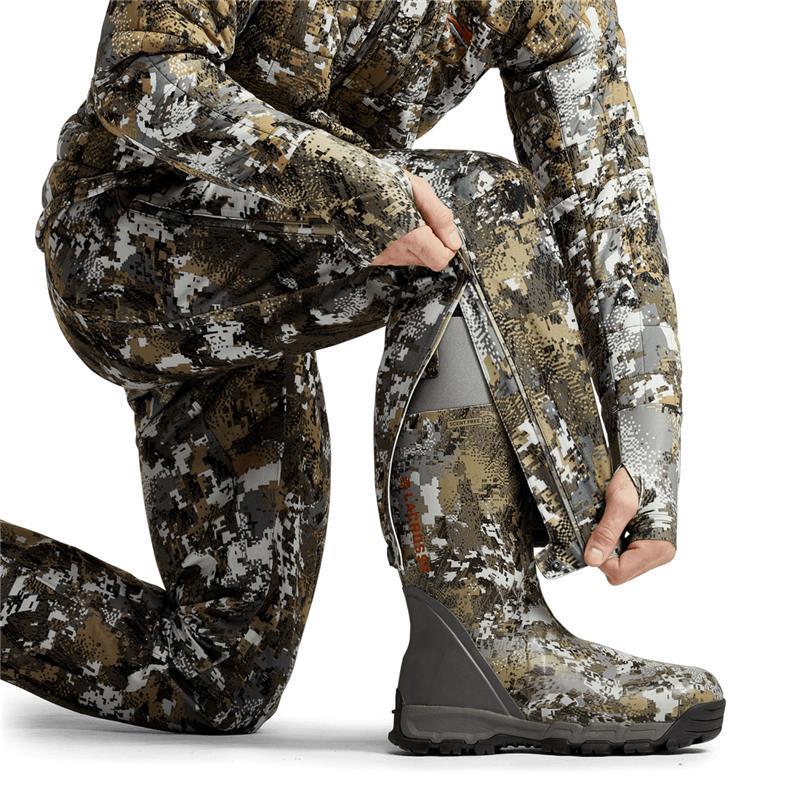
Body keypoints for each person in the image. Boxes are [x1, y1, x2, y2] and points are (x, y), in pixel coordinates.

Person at [0, 0, 724, 753]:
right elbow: (145, 77)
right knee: (478, 206)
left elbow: (608, 203)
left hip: (271, 275)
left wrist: (648, 454)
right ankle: (485, 640)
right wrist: (363, 193)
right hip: (122, 252)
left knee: (220, 673)